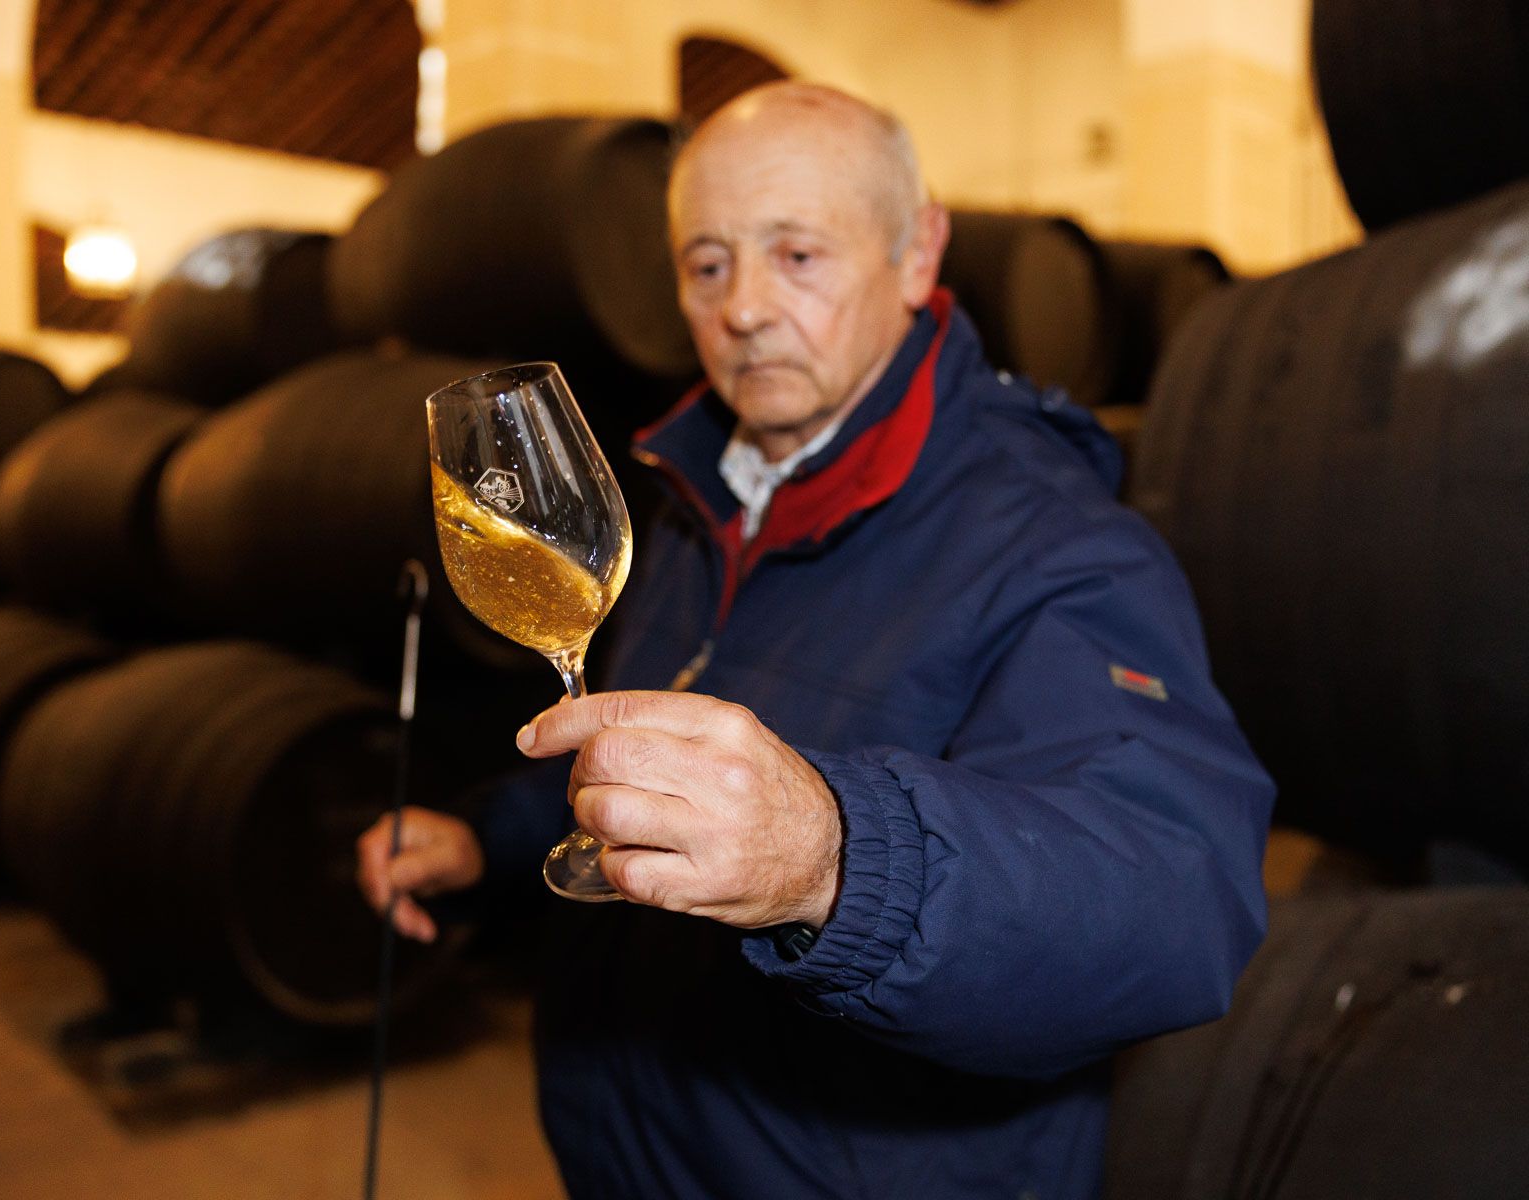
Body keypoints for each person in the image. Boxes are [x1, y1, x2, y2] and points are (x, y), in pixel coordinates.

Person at [358, 82, 1274, 1200]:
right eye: (707, 263)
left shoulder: (1059, 543)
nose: (741, 308)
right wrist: (486, 839)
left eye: (797, 255)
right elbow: (652, 744)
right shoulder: (698, 505)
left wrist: (839, 859)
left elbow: (1176, 898)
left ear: (917, 252)